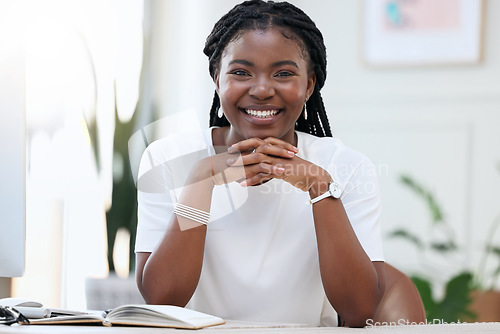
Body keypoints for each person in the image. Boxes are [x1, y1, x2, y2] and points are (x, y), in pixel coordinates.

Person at [134, 0, 385, 328]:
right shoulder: (165, 158)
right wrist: (201, 181)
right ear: (217, 78)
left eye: (283, 73)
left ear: (309, 84)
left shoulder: (346, 166)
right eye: (240, 72)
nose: (262, 89)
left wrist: (320, 188)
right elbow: (161, 300)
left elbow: (360, 310)